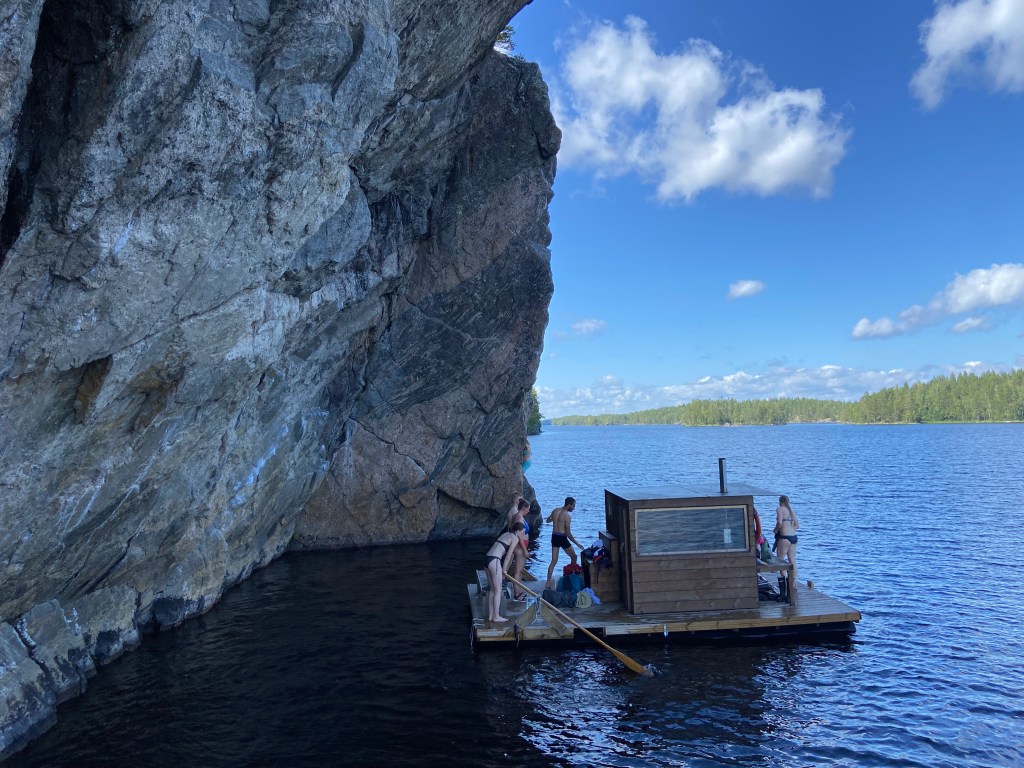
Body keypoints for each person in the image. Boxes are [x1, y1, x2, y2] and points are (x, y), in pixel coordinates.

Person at [484, 522, 525, 623]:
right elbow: (508, 556)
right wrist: (504, 570)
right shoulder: (515, 538)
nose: (523, 535)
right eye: (523, 533)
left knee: (492, 589)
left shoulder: (505, 534)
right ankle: (496, 617)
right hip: (495, 560)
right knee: (498, 590)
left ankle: (491, 616)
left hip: (487, 558)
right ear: (517, 531)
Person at [545, 496, 583, 587]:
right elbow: (568, 533)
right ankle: (570, 577)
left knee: (554, 560)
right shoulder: (567, 516)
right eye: (573, 506)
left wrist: (554, 520)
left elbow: (547, 520)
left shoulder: (555, 511)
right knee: (574, 556)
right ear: (569, 505)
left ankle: (548, 582)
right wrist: (577, 543)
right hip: (562, 538)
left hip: (554, 536)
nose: (574, 508)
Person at [505, 498, 531, 597]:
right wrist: (525, 550)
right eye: (528, 509)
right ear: (524, 508)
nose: (529, 510)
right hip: (520, 546)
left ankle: (518, 591)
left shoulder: (516, 515)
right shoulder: (519, 518)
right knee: (518, 571)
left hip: (520, 545)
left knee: (519, 571)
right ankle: (517, 594)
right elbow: (519, 535)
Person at [774, 495, 800, 576]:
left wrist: (776, 529)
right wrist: (789, 527)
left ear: (780, 501)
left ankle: (784, 580)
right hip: (794, 537)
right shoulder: (791, 510)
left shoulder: (780, 509)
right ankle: (794, 582)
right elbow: (797, 526)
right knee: (792, 560)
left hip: (784, 538)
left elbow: (779, 522)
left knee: (780, 561)